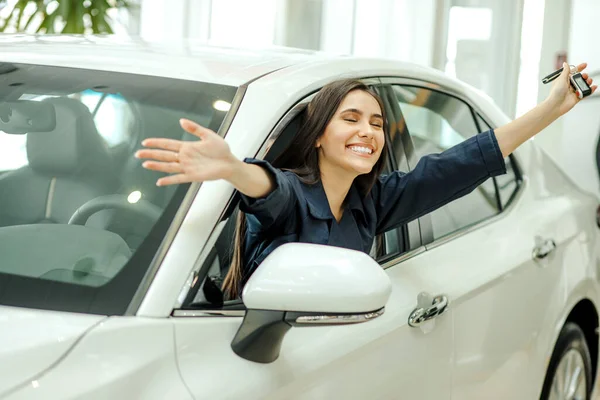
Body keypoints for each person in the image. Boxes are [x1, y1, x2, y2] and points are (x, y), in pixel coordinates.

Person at [135, 62, 596, 299]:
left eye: (376, 123)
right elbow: (268, 189)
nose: (368, 132)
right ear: (318, 136)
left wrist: (551, 109)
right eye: (351, 119)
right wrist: (232, 168)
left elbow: (461, 164)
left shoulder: (375, 201)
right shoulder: (295, 194)